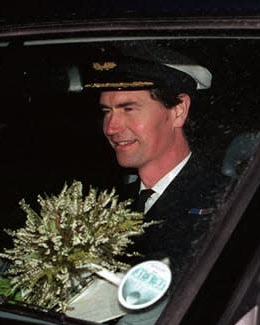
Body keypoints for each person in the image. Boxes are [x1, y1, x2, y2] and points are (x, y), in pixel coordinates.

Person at [83, 46, 225, 273]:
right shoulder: (106, 205)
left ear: (178, 111)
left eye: (128, 109)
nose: (110, 127)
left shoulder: (225, 202)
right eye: (107, 111)